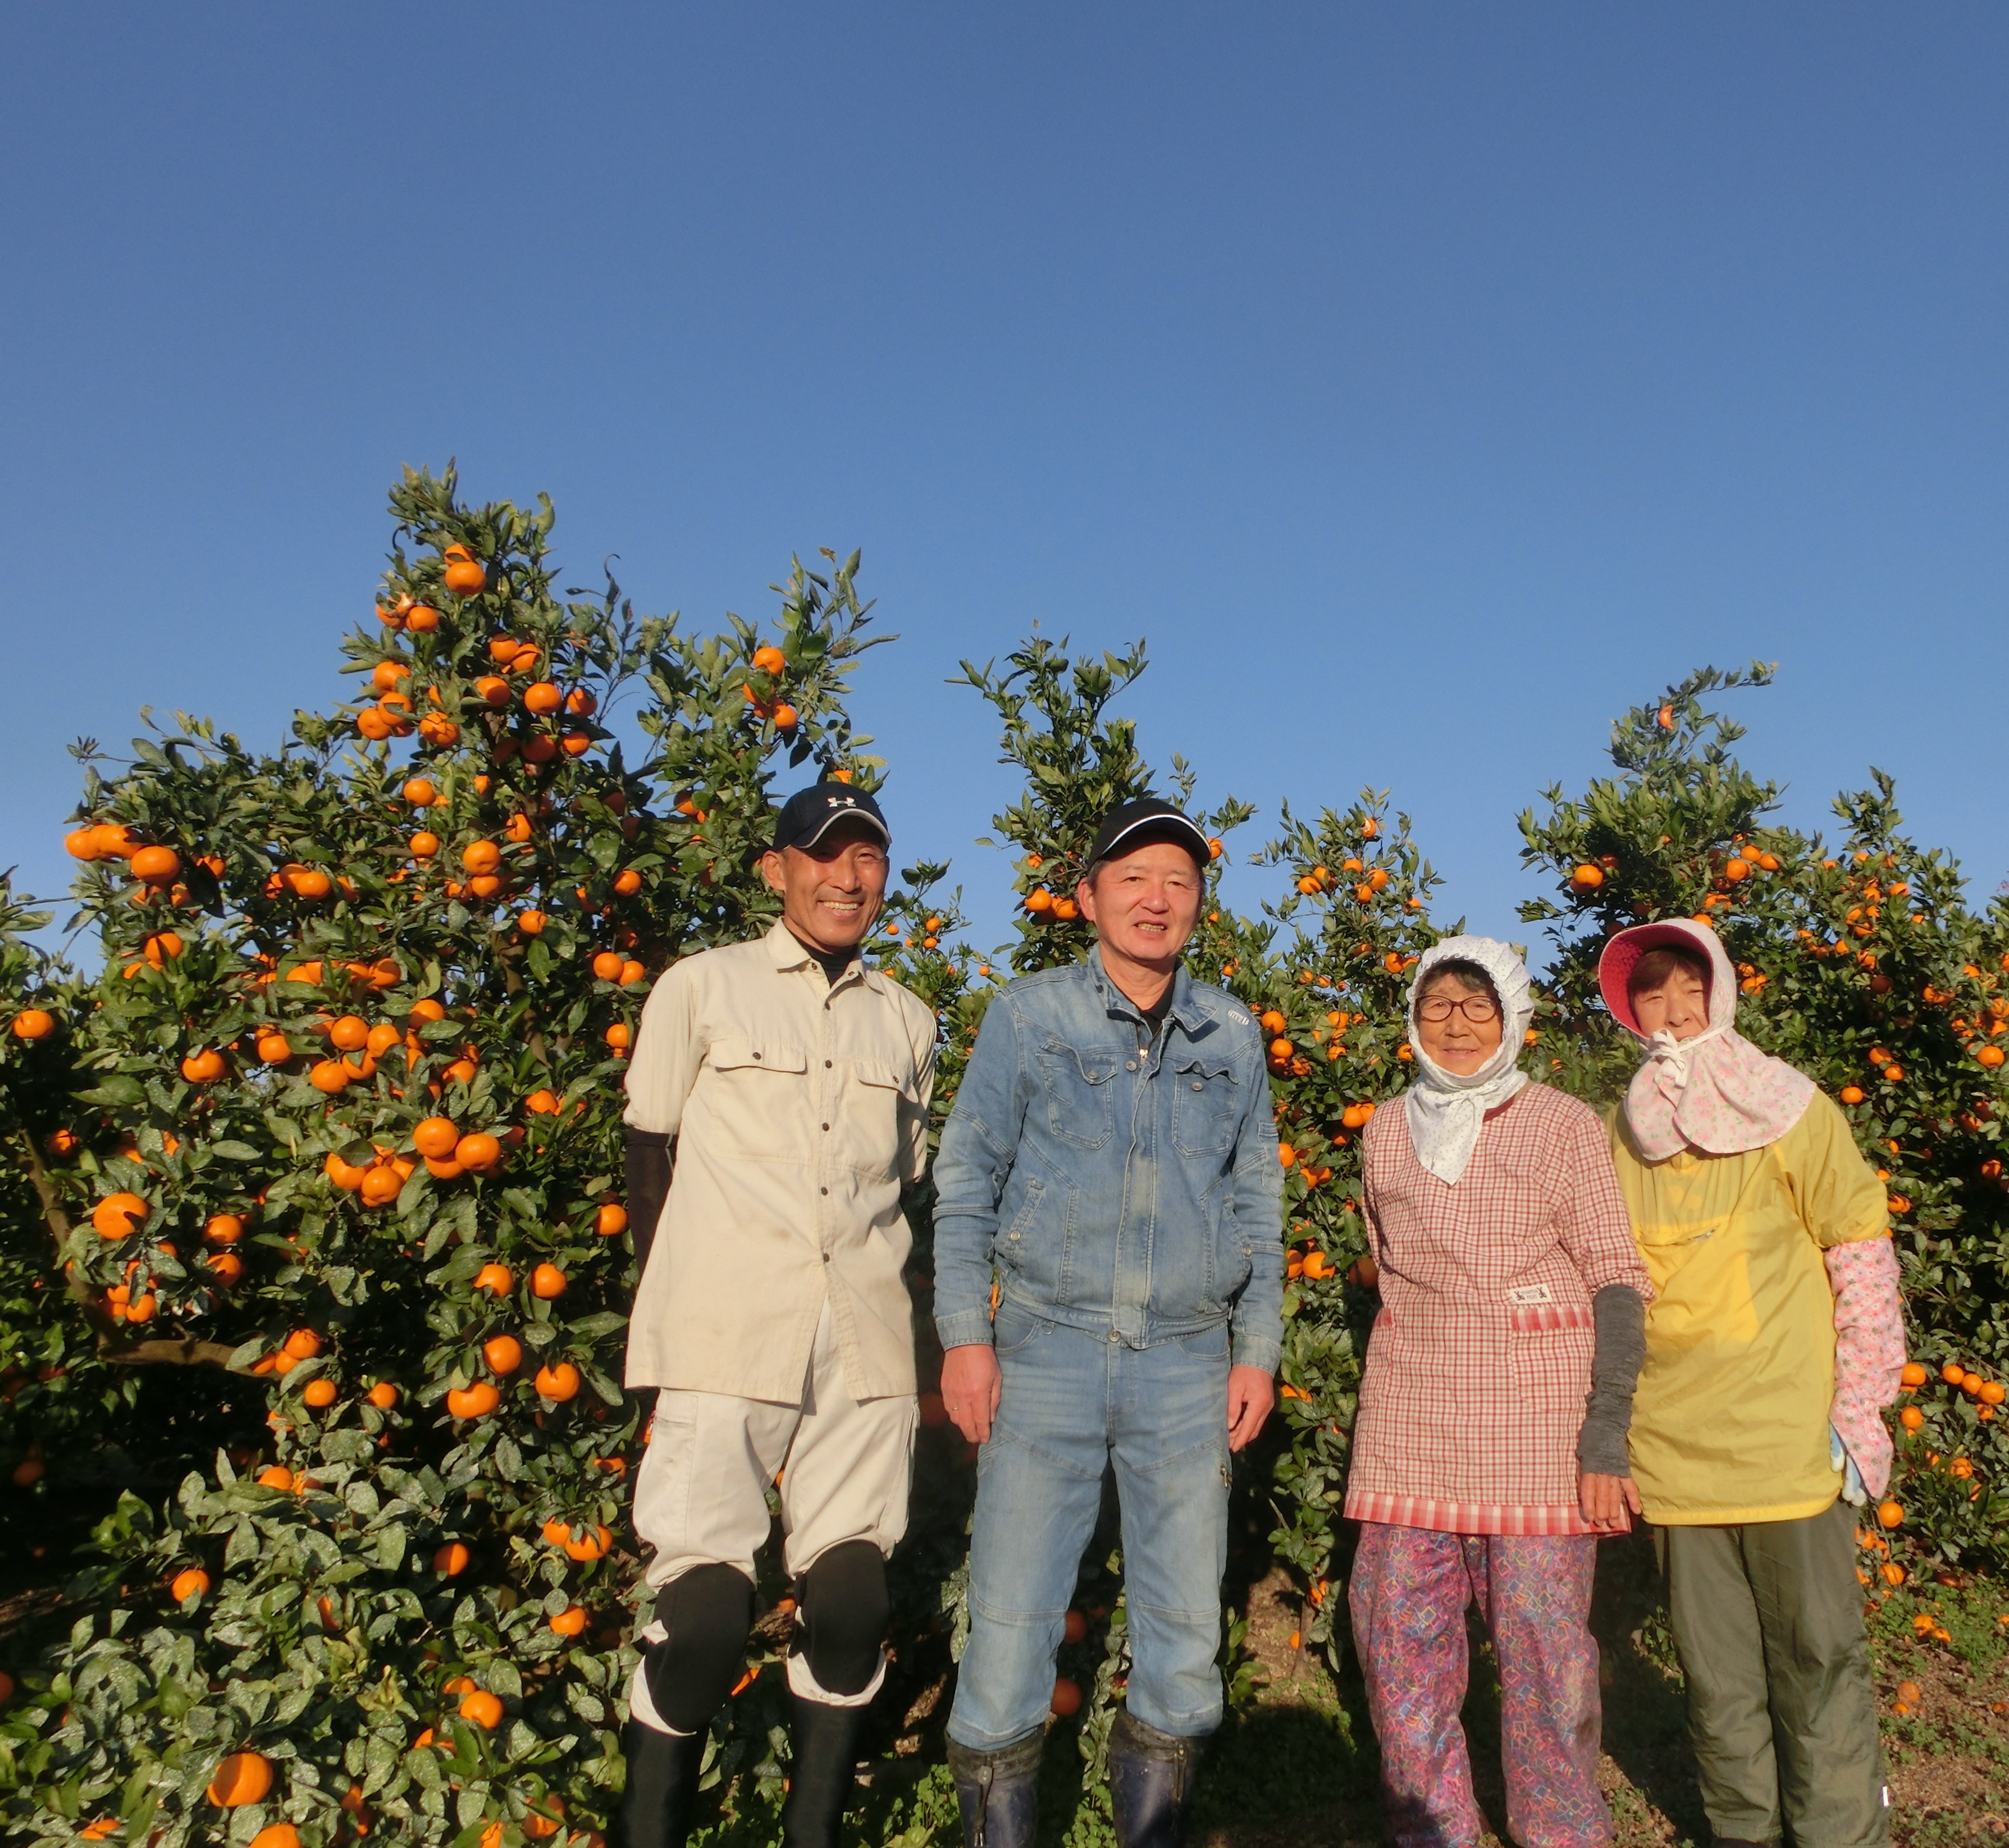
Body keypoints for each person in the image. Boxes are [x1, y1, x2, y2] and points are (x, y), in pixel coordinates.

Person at [930, 797, 1285, 1848]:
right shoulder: (1030, 1016)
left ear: (1199, 907)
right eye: (1133, 877)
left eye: (1179, 881)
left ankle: (1151, 1833)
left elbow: (1257, 1198)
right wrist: (965, 1336)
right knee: (1008, 1625)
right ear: (1087, 896)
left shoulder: (1231, 1031)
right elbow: (966, 1179)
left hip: (1187, 1360)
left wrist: (1257, 1347)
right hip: (1047, 1349)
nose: (1156, 898)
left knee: (1183, 1633)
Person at [614, 782, 940, 1848]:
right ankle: (649, 1829)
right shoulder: (703, 989)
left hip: (865, 1342)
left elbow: (911, 1193)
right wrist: (666, 1305)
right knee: (703, 1618)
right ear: (777, 868)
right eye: (824, 856)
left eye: (867, 859)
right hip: (727, 1329)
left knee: (851, 1601)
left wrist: (928, 1346)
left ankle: (816, 1834)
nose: (847, 878)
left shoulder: (909, 1020)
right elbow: (650, 1151)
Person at [1599, 917, 1907, 1848]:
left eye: (1689, 985)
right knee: (1720, 1678)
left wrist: (1861, 1407)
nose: (1675, 1008)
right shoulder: (1630, 1126)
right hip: (1677, 1453)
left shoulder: (1793, 1109)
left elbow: (1860, 1252)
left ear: (1722, 990)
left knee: (1817, 1659)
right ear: (1631, 1009)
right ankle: (1743, 1834)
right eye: (1652, 991)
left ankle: (1839, 1835)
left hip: (1787, 1445)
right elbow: (1614, 1277)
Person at [1343, 936, 1652, 1848]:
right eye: (1438, 1005)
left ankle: (1560, 1831)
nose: (1458, 1023)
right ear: (1413, 1019)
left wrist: (1606, 1438)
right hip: (1413, 1416)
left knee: (1546, 1657)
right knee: (1397, 1642)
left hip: (1539, 1425)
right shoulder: (1384, 1130)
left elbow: (1616, 1279)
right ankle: (1433, 1825)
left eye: (1478, 1006)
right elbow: (1388, 1266)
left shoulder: (1562, 1124)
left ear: (1514, 1015)